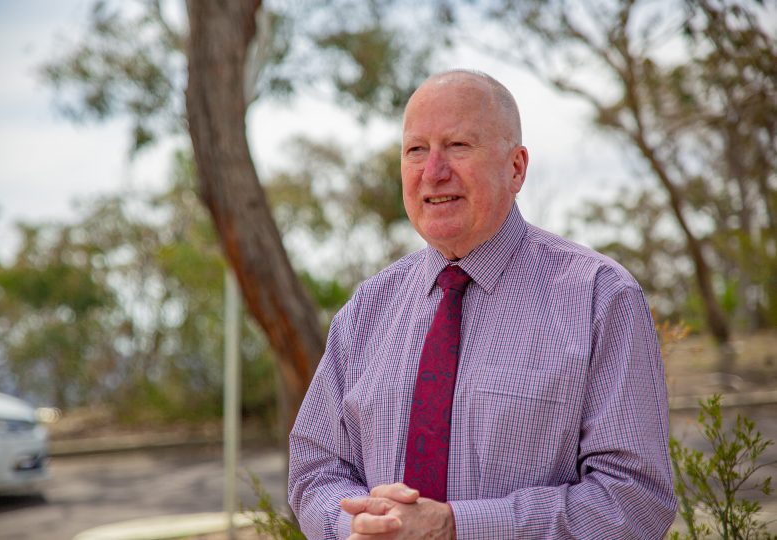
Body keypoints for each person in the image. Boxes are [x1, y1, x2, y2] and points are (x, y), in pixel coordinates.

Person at [288, 69, 677, 539]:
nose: (433, 171)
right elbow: (315, 468)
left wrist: (458, 528)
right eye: (416, 150)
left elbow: (635, 502)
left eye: (458, 146)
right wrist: (357, 524)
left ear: (516, 168)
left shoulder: (600, 298)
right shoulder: (366, 310)